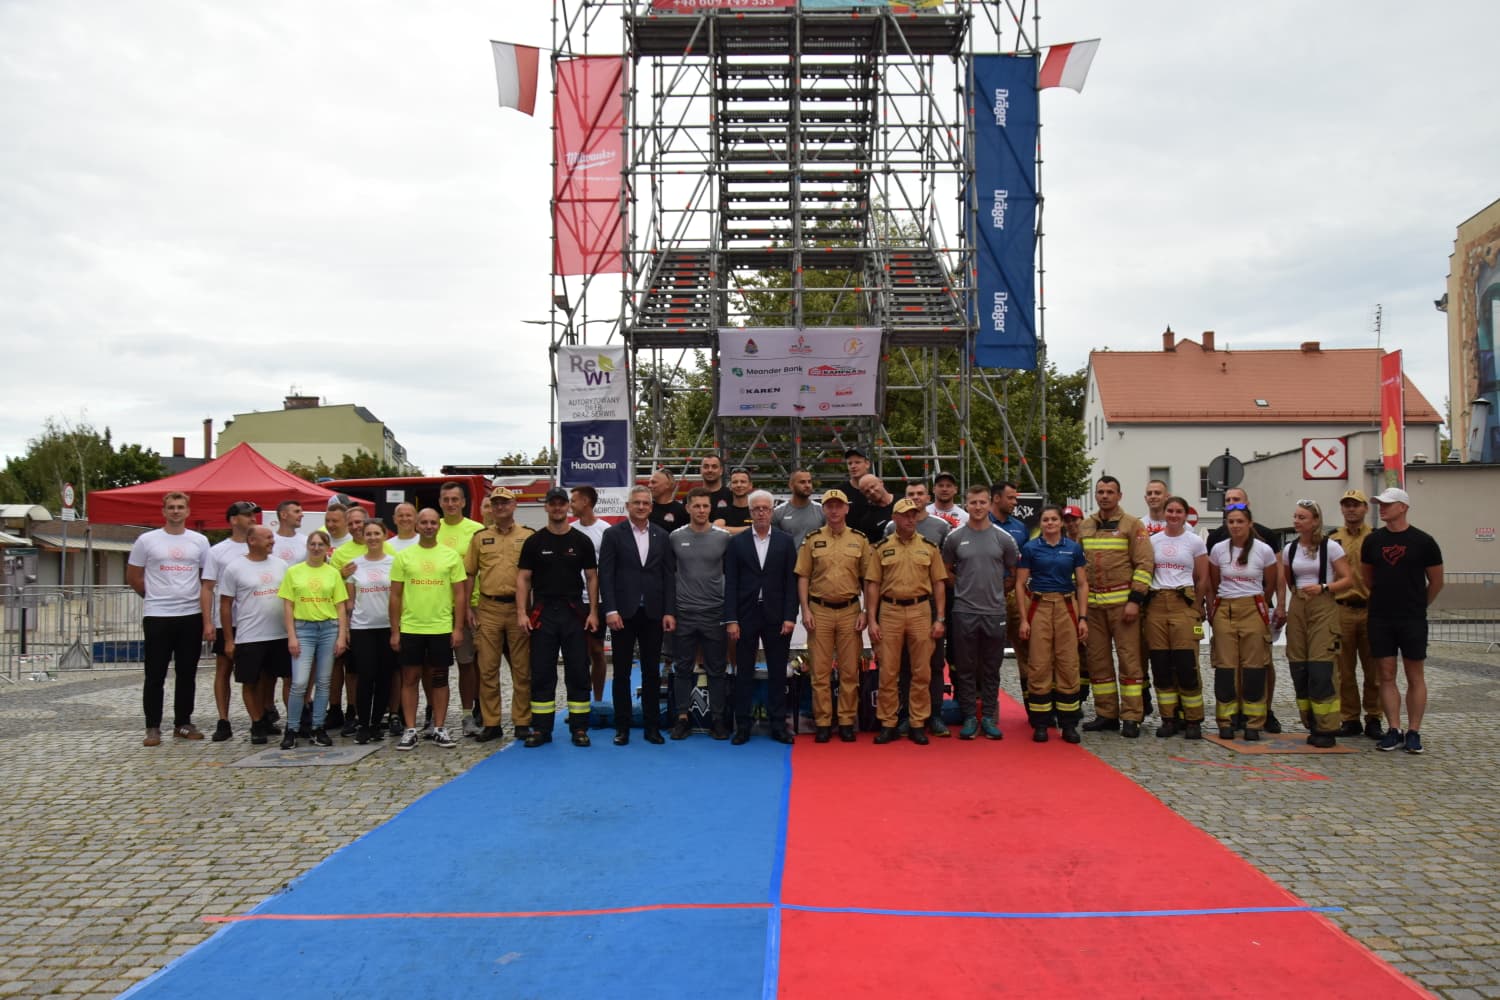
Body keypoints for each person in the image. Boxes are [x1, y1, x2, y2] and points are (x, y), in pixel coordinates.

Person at [126, 491, 213, 747]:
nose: (176, 511)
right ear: (163, 511)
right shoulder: (147, 540)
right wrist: (154, 596)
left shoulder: (199, 541)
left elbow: (205, 578)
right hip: (158, 615)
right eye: (171, 507)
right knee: (155, 674)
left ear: (188, 511)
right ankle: (152, 726)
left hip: (190, 614)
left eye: (180, 507)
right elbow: (133, 576)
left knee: (187, 673)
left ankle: (183, 723)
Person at [1361, 487, 1444, 754]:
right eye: (1380, 504)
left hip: (1412, 618)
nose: (1382, 508)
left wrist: (1419, 605)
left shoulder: (1424, 541)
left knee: (1414, 674)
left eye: (1388, 504)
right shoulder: (1372, 541)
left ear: (1403, 507)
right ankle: (1394, 729)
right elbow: (1367, 578)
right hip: (1380, 616)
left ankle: (1414, 731)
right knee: (1386, 674)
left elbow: (1436, 581)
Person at [517, 487, 600, 748]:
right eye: (552, 504)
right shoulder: (534, 542)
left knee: (578, 671)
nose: (557, 508)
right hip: (543, 613)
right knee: (542, 672)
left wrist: (593, 612)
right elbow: (523, 578)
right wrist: (521, 613)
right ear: (546, 507)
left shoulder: (581, 541)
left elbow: (592, 577)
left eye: (561, 504)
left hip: (574, 612)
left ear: (567, 507)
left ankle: (579, 728)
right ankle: (542, 729)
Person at [599, 485, 676, 746]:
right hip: (622, 613)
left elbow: (668, 576)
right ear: (628, 506)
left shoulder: (662, 535)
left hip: (653, 612)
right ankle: (622, 727)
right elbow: (606, 575)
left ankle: (652, 727)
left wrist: (669, 611)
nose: (641, 507)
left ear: (651, 507)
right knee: (621, 672)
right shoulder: (613, 534)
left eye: (645, 503)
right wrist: (610, 609)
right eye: (637, 502)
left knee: (651, 672)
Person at [866, 498, 947, 745]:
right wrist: (872, 619)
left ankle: (917, 723)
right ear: (895, 518)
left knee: (921, 671)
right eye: (905, 515)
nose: (911, 519)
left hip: (920, 610)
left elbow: (939, 584)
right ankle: (888, 723)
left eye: (914, 514)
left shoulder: (929, 547)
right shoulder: (882, 548)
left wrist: (940, 618)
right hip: (890, 611)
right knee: (888, 671)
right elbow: (873, 585)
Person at [941, 485, 1020, 740]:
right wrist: (961, 587)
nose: (977, 507)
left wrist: (998, 589)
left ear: (989, 504)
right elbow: (945, 569)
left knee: (991, 668)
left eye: (982, 502)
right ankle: (968, 716)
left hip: (994, 613)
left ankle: (987, 716)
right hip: (964, 611)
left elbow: (1014, 572)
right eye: (973, 502)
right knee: (965, 667)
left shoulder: (1003, 538)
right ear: (966, 504)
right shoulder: (954, 537)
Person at [796, 488, 873, 743]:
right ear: (824, 510)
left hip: (850, 610)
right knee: (820, 671)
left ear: (846, 509)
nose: (834, 510)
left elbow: (869, 579)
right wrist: (805, 609)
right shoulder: (812, 539)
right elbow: (803, 576)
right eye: (829, 506)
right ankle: (823, 722)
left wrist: (865, 611)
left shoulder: (859, 540)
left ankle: (847, 721)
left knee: (850, 671)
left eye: (839, 505)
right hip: (820, 610)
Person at [1079, 476, 1153, 737]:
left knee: (1130, 660)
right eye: (1101, 492)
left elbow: (1144, 564)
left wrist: (1135, 600)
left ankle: (1132, 716)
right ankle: (1106, 714)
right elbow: (1078, 567)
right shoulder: (1085, 526)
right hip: (1093, 607)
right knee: (1097, 662)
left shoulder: (1133, 525)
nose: (1105, 496)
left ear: (1119, 495)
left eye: (1110, 492)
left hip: (1123, 607)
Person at [1206, 488, 1285, 733]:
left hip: (1253, 606)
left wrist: (1262, 603)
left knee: (1254, 667)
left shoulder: (1263, 549)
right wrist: (1213, 609)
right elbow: (1213, 582)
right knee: (1226, 667)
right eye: (1231, 522)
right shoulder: (1219, 549)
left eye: (1240, 521)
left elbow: (1270, 582)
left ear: (1249, 523)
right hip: (1225, 607)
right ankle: (1226, 721)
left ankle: (1254, 721)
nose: (1235, 526)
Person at [388, 508, 466, 751]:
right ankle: (410, 729)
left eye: (433, 522)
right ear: (417, 526)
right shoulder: (404, 556)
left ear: (439, 526)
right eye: (424, 522)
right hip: (411, 627)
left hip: (440, 627)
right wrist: (395, 630)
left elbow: (460, 594)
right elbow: (395, 595)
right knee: (410, 678)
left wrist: (458, 628)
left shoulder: (451, 556)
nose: (429, 526)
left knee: (439, 679)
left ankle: (439, 727)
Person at [725, 489, 799, 744]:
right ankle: (743, 726)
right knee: (744, 671)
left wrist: (790, 616)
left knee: (778, 672)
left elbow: (791, 582)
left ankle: (779, 725)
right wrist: (731, 619)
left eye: (765, 508)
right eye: (756, 509)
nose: (761, 513)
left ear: (772, 511)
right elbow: (731, 583)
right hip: (745, 615)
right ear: (750, 512)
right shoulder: (737, 543)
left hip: (776, 615)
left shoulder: (786, 542)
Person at [1278, 499, 1354, 748]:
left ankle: (1327, 726)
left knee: (1321, 667)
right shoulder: (1290, 549)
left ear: (1315, 521)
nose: (1296, 521)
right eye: (1295, 516)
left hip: (1323, 604)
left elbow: (1348, 579)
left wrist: (1324, 587)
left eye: (1302, 517)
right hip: (1299, 604)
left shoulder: (1330, 547)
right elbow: (1287, 579)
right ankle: (1310, 721)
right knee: (1299, 666)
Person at [464, 487, 534, 743]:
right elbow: (469, 574)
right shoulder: (480, 538)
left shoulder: (528, 536)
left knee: (522, 669)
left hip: (518, 610)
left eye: (505, 503)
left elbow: (536, 575)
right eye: (496, 503)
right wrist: (468, 608)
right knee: (488, 670)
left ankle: (522, 721)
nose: (500, 507)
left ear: (514, 505)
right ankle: (491, 723)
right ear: (491, 508)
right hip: (489, 609)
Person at [1015, 505, 1089, 743]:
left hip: (1067, 606)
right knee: (1039, 664)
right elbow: (1020, 584)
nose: (1050, 523)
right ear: (1041, 523)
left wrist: (1083, 618)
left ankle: (1068, 724)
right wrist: (1024, 619)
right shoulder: (1030, 548)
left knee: (1068, 663)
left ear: (1061, 523)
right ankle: (1041, 723)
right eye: (1045, 519)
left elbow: (1082, 584)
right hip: (1039, 606)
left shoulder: (1073, 548)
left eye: (1054, 519)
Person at [886, 482, 950, 736]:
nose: (915, 498)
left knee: (932, 664)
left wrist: (940, 616)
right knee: (903, 665)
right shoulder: (890, 530)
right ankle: (906, 715)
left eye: (919, 494)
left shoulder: (940, 527)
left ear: (927, 497)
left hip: (928, 604)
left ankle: (934, 715)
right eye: (910, 494)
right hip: (897, 606)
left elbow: (942, 576)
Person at [669, 487, 733, 740]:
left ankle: (717, 719)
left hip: (714, 612)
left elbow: (733, 573)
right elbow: (668, 573)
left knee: (717, 669)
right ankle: (682, 718)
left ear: (711, 508)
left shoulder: (724, 538)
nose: (702, 510)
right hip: (684, 612)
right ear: (687, 508)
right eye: (696, 506)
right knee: (683, 668)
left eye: (706, 506)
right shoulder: (675, 537)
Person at [217, 525, 290, 745]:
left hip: (279, 634)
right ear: (252, 541)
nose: (272, 541)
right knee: (250, 681)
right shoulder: (235, 568)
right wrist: (229, 639)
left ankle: (271, 717)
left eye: (272, 537)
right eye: (267, 537)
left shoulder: (281, 565)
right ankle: (256, 723)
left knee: (276, 678)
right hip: (250, 635)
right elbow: (226, 605)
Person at [277, 529, 349, 748]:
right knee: (299, 682)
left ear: (327, 548)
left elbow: (340, 606)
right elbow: (288, 605)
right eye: (313, 544)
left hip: (328, 628)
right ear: (307, 546)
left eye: (321, 544)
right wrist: (291, 636)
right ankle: (292, 727)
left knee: (324, 681)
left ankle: (318, 727)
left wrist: (342, 635)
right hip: (303, 629)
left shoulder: (333, 573)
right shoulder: (294, 572)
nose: (316, 548)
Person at [1145, 496, 1209, 739]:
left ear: (1185, 515)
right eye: (1170, 511)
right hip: (1157, 605)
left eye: (1178, 511)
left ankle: (1192, 719)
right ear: (1164, 513)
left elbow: (1203, 578)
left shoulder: (1194, 542)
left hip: (1183, 602)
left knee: (1186, 664)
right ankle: (1168, 718)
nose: (1173, 515)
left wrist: (1197, 605)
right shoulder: (1154, 541)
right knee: (1161, 664)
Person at [202, 500, 257, 742]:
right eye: (247, 515)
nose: (253, 519)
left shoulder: (259, 545)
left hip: (254, 620)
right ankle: (223, 720)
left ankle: (260, 716)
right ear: (234, 520)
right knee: (223, 669)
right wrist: (207, 622)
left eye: (254, 515)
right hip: (227, 620)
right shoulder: (217, 551)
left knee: (258, 672)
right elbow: (207, 587)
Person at [1328, 489, 1382, 739]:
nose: (1351, 509)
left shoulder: (1376, 537)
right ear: (1342, 508)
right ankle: (1349, 718)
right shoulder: (1332, 539)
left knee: (1375, 670)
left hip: (1371, 609)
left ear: (1365, 509)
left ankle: (1374, 717)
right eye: (1347, 505)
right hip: (1342, 609)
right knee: (1344, 670)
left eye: (1356, 505)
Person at [436, 482, 485, 737]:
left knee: (470, 663)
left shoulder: (476, 530)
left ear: (464, 502)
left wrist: (471, 606)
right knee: (436, 665)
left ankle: (471, 712)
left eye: (455, 499)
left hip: (470, 605)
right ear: (440, 502)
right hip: (437, 607)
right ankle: (434, 714)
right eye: (446, 499)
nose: (451, 504)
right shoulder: (432, 528)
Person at [345, 517, 396, 745]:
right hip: (362, 627)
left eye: (377, 533)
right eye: (369, 534)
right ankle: (363, 724)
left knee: (385, 677)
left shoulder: (394, 563)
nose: (373, 538)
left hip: (387, 626)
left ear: (384, 536)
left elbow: (399, 596)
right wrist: (346, 629)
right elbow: (349, 602)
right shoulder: (354, 565)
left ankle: (376, 724)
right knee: (365, 676)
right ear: (363, 537)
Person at [990, 481, 1031, 704]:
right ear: (996, 498)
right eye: (1011, 498)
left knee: (1026, 649)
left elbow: (1026, 563)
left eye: (1016, 498)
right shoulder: (981, 524)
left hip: (1016, 595)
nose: (1015, 502)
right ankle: (988, 707)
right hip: (988, 596)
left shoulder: (1020, 528)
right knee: (989, 653)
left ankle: (1033, 706)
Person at [569, 485, 611, 702]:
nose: (570, 505)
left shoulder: (605, 530)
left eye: (573, 500)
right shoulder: (569, 530)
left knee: (596, 650)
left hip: (598, 599)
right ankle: (580, 700)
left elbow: (610, 567)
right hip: (575, 600)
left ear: (585, 502)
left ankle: (598, 699)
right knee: (578, 653)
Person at [773, 469, 824, 548]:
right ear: (791, 485)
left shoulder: (822, 511)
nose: (807, 485)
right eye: (802, 482)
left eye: (809, 482)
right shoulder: (778, 512)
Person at [852, 473, 895, 541]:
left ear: (881, 482)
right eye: (867, 491)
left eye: (873, 486)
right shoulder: (868, 521)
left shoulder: (904, 500)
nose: (872, 492)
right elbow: (871, 546)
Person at [715, 468, 755, 533]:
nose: (739, 485)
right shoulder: (723, 511)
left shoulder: (757, 510)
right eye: (735, 482)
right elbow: (717, 529)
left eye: (743, 482)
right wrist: (749, 529)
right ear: (730, 486)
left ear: (750, 485)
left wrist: (728, 530)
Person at [271, 500, 307, 566]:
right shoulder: (269, 540)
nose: (302, 515)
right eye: (297, 512)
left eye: (301, 512)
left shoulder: (306, 541)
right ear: (283, 515)